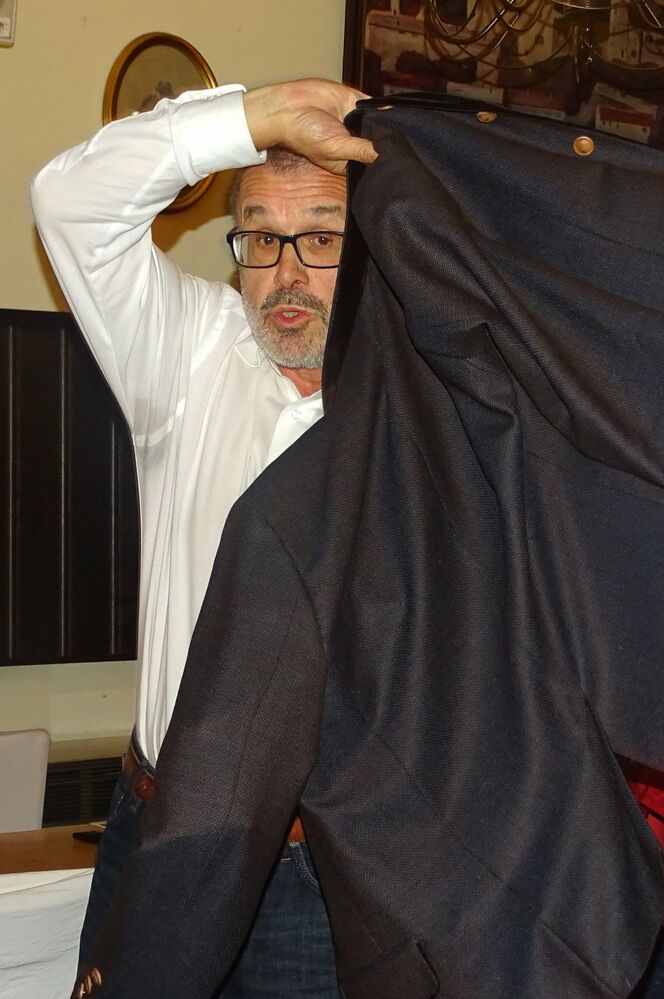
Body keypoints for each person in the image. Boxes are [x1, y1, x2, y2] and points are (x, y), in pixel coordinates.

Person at [31, 77, 376, 997]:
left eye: (323, 239)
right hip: (157, 831)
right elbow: (66, 205)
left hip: (328, 872)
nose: (286, 273)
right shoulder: (187, 354)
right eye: (260, 237)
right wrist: (251, 117)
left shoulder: (421, 410)